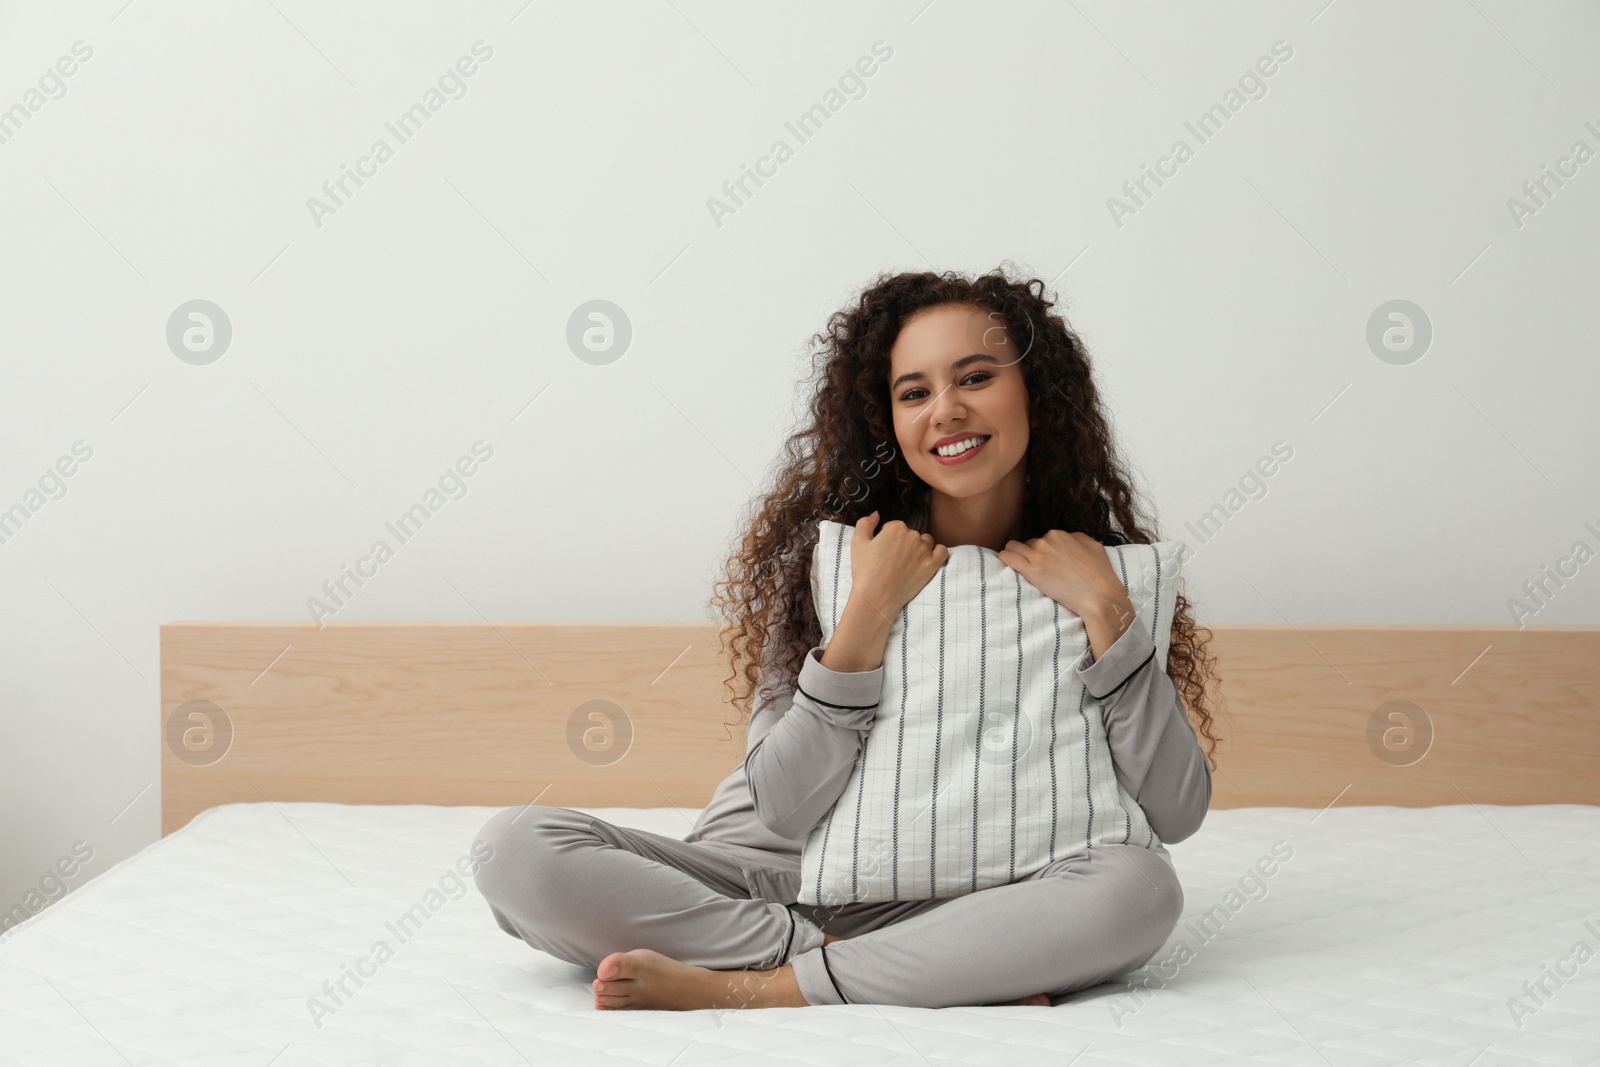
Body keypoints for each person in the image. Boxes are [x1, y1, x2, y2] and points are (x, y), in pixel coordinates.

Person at [473, 266, 1222, 1010]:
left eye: (976, 377)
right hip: (765, 883)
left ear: (1038, 394)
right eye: (915, 391)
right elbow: (780, 809)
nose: (947, 410)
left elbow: (1178, 812)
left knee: (1142, 888)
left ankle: (768, 983)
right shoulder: (832, 569)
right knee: (514, 850)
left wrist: (1109, 616)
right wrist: (864, 615)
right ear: (886, 420)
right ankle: (884, 969)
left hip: (971, 893)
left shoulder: (1100, 574)